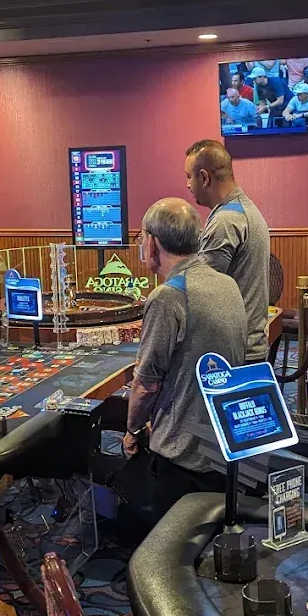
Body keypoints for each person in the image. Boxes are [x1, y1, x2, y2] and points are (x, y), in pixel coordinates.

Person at [123, 198, 246, 520]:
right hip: (224, 441)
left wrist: (132, 430)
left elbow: (147, 384)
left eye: (141, 237)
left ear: (152, 242)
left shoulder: (169, 296)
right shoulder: (227, 283)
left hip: (184, 456)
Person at [184, 139, 271, 363]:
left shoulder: (226, 220)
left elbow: (202, 292)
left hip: (235, 351)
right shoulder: (243, 208)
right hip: (247, 344)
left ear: (204, 178)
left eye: (188, 176)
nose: (187, 185)